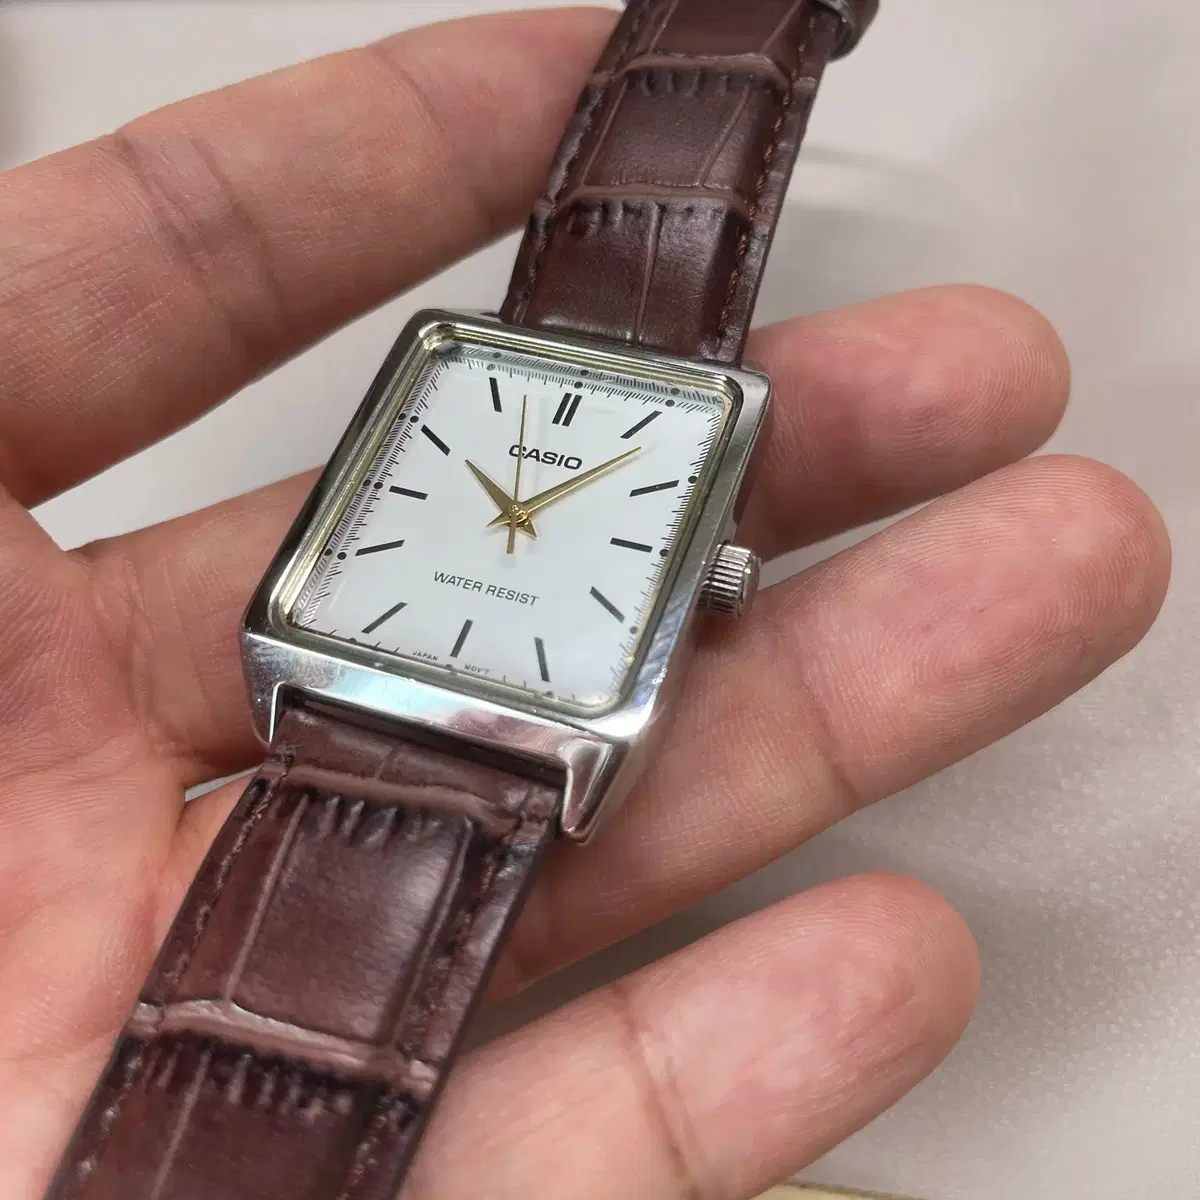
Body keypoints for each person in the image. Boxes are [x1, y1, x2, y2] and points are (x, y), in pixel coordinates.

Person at [0, 9, 1169, 1198]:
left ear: (714, 578)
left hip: (469, 730)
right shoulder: (456, 364)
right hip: (349, 690)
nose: (517, 521)